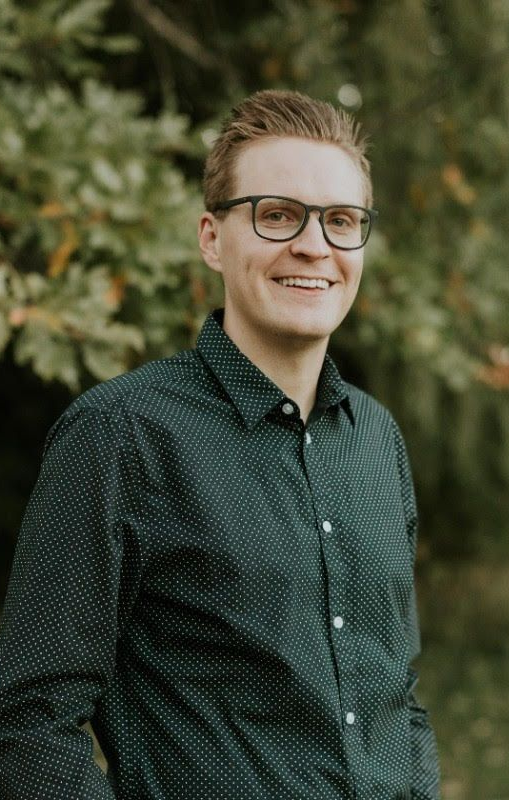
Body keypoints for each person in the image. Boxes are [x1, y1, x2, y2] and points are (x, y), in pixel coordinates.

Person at [0, 89, 440, 799]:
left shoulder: (376, 440)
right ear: (211, 238)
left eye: (339, 221)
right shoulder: (121, 435)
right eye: (276, 215)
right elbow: (27, 720)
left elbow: (398, 693)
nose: (312, 245)